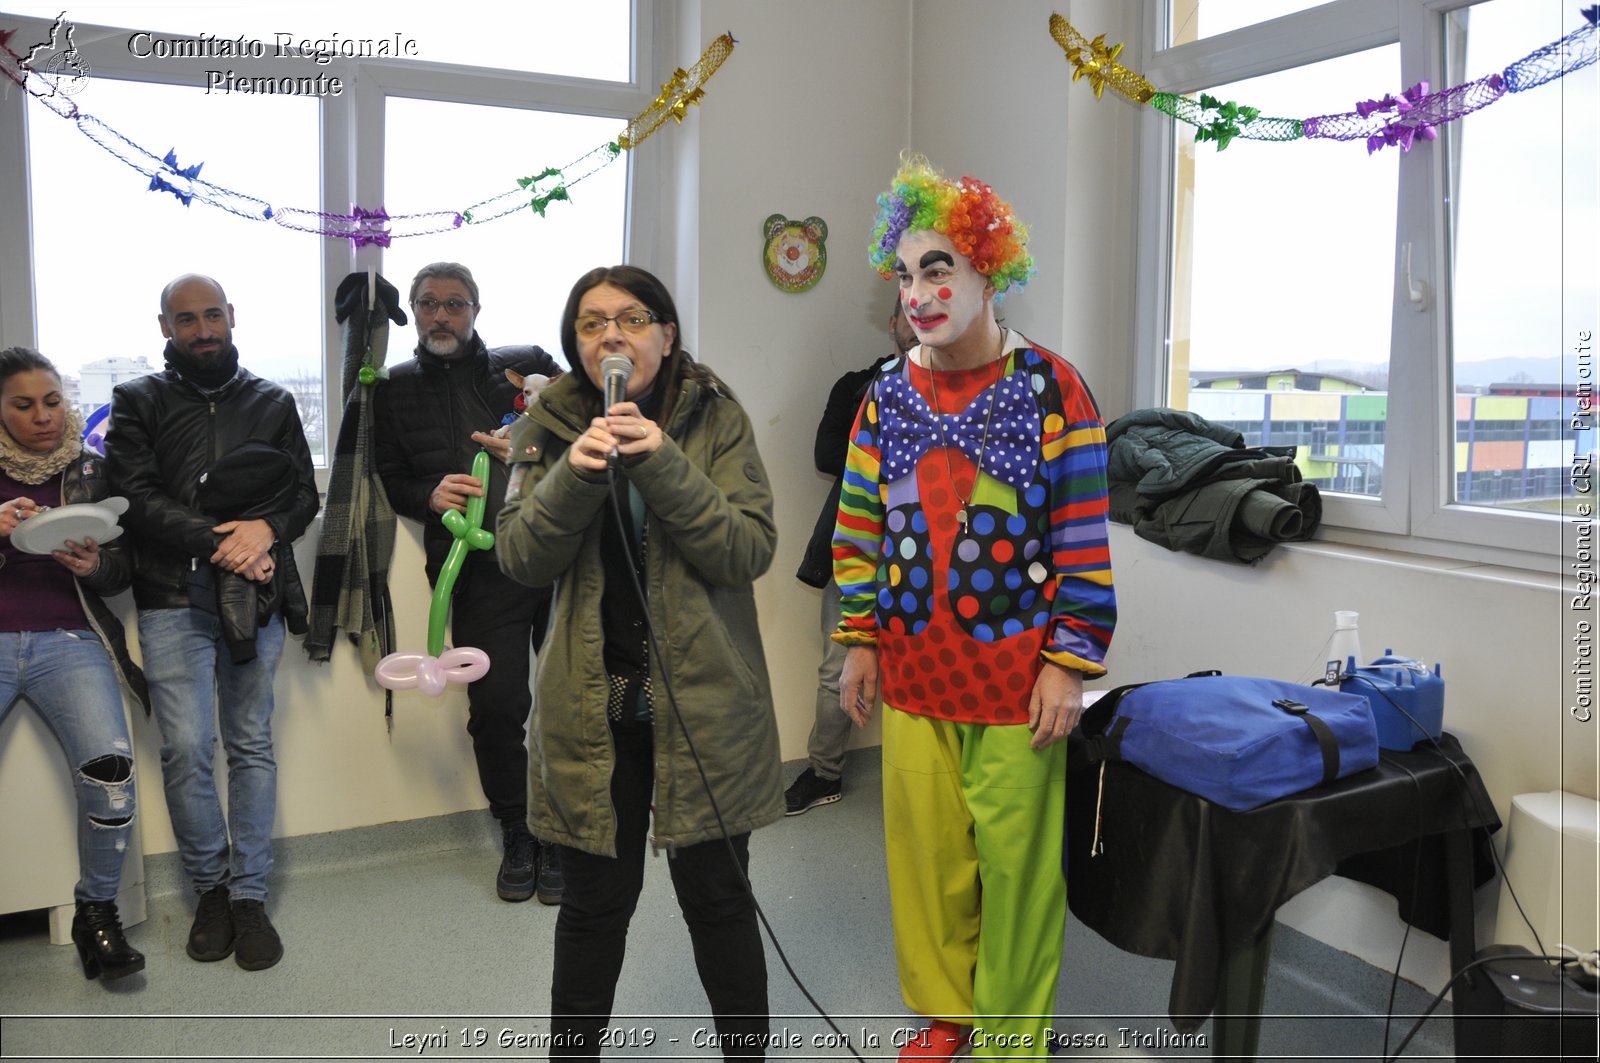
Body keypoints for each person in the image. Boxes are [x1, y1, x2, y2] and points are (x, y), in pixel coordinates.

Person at [834, 157, 1117, 1060]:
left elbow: (1080, 533)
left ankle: (1009, 1035)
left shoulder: (1052, 387)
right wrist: (860, 642)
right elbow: (860, 522)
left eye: (941, 267)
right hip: (915, 672)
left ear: (991, 269)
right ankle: (947, 1013)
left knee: (1017, 869)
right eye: (908, 272)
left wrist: (1070, 661)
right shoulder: (884, 392)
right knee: (928, 865)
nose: (920, 292)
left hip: (1014, 677)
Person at [496, 265, 782, 1058]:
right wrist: (572, 477)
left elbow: (746, 548)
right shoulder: (545, 426)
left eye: (629, 319)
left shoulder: (716, 419)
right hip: (595, 711)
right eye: (591, 324)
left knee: (719, 899)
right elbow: (519, 555)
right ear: (575, 342)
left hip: (705, 706)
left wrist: (659, 460)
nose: (610, 336)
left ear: (666, 333)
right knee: (593, 906)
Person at [105, 274, 319, 972]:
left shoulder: (273, 399)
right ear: (164, 326)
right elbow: (132, 497)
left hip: (254, 600)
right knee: (188, 750)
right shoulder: (137, 400)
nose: (202, 330)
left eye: (212, 316)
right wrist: (223, 540)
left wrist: (266, 527)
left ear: (232, 316)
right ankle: (211, 892)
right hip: (170, 599)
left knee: (251, 744)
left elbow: (302, 496)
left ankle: (250, 894)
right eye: (186, 319)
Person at [371, 262, 565, 905]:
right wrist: (428, 492)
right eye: (428, 304)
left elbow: (586, 434)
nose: (441, 316)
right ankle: (519, 830)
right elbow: (391, 476)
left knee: (571, 702)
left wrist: (532, 447)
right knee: (499, 707)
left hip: (555, 552)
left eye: (455, 304)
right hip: (476, 570)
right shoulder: (392, 389)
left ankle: (564, 831)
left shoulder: (526, 364)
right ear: (415, 313)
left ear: (476, 310)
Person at [1, 347, 149, 983]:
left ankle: (97, 916)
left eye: (52, 401)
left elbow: (123, 569)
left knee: (111, 774)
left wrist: (93, 566)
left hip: (71, 637)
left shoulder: (93, 470)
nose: (42, 417)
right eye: (24, 405)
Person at [786, 301, 915, 815]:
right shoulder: (856, 385)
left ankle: (922, 774)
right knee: (836, 668)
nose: (917, 316)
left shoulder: (963, 394)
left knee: (921, 665)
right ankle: (824, 773)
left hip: (927, 553)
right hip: (856, 547)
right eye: (905, 310)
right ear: (892, 324)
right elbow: (825, 454)